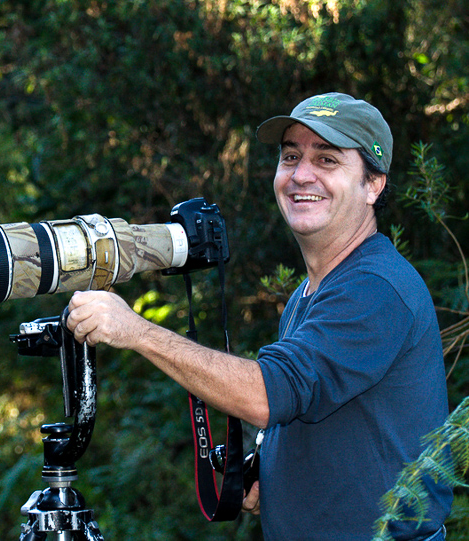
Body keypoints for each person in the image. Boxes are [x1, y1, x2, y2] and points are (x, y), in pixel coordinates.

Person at [65, 92, 453, 540]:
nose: (301, 175)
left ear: (373, 185)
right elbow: (318, 411)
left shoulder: (375, 289)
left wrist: (137, 331)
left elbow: (267, 396)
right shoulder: (314, 292)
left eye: (327, 160)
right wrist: (271, 472)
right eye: (291, 156)